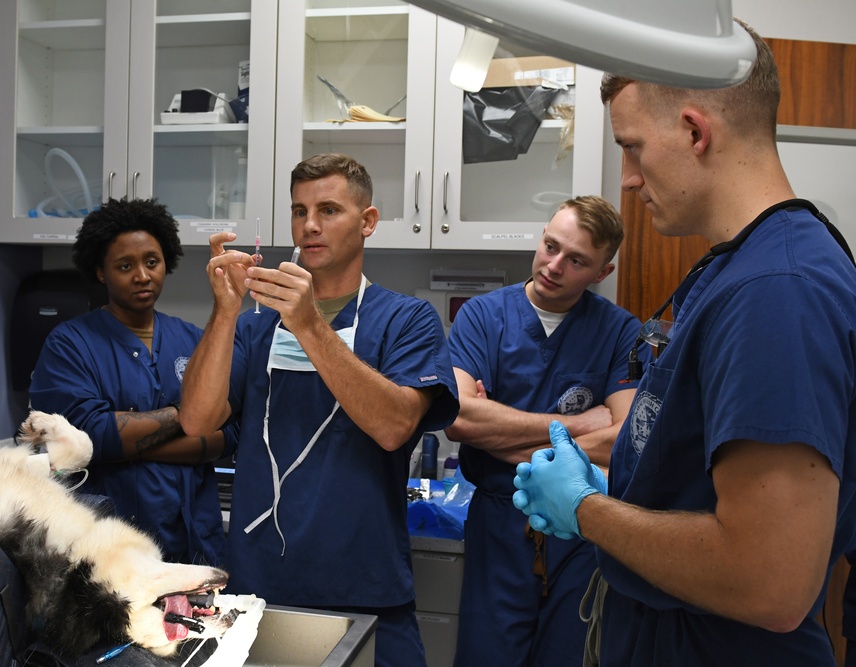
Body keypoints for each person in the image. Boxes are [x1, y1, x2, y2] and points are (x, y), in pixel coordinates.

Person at [511, 21, 856, 667]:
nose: (629, 179)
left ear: (696, 132)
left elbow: (769, 580)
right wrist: (610, 487)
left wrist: (587, 510)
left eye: (633, 147)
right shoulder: (736, 270)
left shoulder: (778, 290)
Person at [179, 153, 459, 667]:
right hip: (261, 588)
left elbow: (395, 427)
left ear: (367, 222)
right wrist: (225, 310)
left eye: (328, 210)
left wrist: (309, 324)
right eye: (299, 210)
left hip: (365, 585)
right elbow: (197, 420)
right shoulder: (256, 326)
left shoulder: (406, 319)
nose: (309, 225)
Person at [445, 196, 649, 667]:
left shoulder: (621, 332)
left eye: (576, 260)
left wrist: (498, 428)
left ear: (602, 271)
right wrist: (582, 424)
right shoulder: (482, 316)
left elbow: (624, 439)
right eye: (550, 246)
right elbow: (458, 419)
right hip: (499, 524)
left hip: (583, 530)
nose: (554, 265)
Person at [29, 197, 234, 567]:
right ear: (101, 272)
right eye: (125, 266)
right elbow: (91, 437)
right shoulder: (69, 344)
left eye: (151, 262)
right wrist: (188, 416)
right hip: (105, 544)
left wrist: (127, 444)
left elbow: (226, 435)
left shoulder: (194, 341)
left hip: (193, 540)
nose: (142, 275)